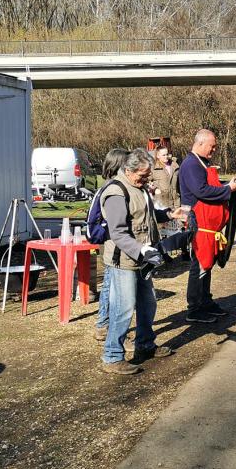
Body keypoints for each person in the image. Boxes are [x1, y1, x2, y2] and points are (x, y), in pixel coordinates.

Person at [100, 148, 187, 375]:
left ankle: (146, 345)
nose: (146, 179)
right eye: (143, 175)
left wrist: (169, 214)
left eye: (148, 175)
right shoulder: (116, 192)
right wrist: (142, 250)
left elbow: (145, 215)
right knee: (123, 308)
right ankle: (112, 356)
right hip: (124, 262)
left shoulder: (138, 187)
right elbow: (118, 233)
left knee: (148, 304)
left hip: (142, 259)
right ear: (128, 170)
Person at [178, 129, 236, 322]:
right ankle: (194, 309)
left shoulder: (201, 163)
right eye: (212, 146)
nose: (214, 149)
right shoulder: (191, 164)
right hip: (198, 224)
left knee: (207, 265)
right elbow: (202, 190)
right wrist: (227, 189)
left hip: (209, 226)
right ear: (200, 143)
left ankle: (205, 302)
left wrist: (228, 184)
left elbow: (209, 185)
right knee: (199, 265)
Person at [93, 147, 130, 343]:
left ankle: (103, 323)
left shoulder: (110, 186)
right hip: (113, 246)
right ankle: (103, 325)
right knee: (109, 286)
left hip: (112, 244)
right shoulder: (113, 189)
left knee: (109, 285)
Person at [150, 146, 180, 211]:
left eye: (167, 154)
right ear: (158, 156)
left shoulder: (175, 165)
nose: (166, 156)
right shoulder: (153, 168)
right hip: (163, 205)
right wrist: (154, 189)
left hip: (176, 203)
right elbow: (145, 181)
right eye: (163, 155)